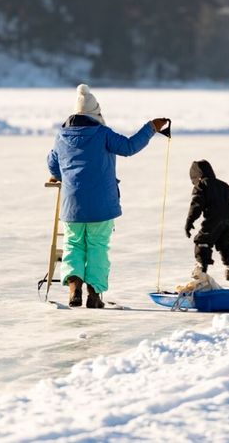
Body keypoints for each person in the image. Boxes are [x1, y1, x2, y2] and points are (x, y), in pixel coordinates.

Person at [46, 84, 169, 308]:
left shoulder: (61, 136)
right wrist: (151, 127)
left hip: (72, 204)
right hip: (101, 205)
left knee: (73, 244)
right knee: (97, 246)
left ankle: (74, 289)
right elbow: (129, 147)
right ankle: (94, 295)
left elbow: (53, 164)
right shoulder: (103, 134)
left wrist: (58, 175)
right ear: (96, 113)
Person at [184, 160, 229, 282]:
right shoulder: (224, 185)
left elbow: (197, 205)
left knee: (203, 240)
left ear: (197, 176)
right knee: (226, 243)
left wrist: (190, 221)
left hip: (214, 218)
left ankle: (201, 268)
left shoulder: (202, 185)